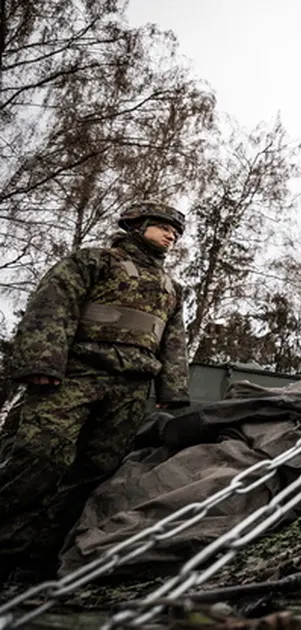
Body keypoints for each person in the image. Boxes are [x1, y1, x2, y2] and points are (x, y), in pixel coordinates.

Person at [0, 201, 191, 582]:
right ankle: (5, 550)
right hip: (75, 376)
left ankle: (39, 562)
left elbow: (173, 340)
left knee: (94, 472)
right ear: (138, 225)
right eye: (165, 227)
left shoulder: (172, 288)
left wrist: (172, 390)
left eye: (176, 231)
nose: (172, 235)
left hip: (130, 389)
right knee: (39, 457)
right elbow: (54, 305)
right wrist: (42, 363)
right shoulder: (94, 261)